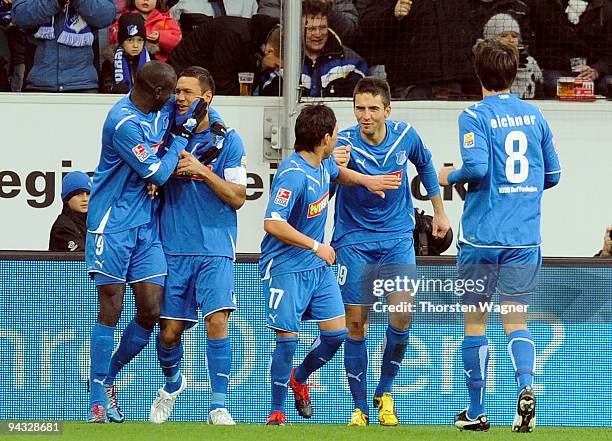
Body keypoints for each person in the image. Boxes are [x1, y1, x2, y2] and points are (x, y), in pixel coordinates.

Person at [437, 39, 561, 432]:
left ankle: (475, 412)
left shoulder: (473, 115)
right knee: (516, 320)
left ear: (478, 73)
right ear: (513, 73)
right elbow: (554, 175)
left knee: (475, 322)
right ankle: (526, 387)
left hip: (482, 238)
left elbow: (475, 167)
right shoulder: (535, 115)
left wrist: (447, 176)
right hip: (524, 237)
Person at [260, 104, 401, 426]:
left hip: (317, 267)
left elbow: (340, 174)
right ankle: (277, 411)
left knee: (337, 335)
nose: (338, 138)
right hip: (285, 267)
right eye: (335, 133)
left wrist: (368, 181)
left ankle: (300, 377)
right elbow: (272, 222)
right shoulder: (293, 175)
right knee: (288, 339)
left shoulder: (322, 165)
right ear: (325, 138)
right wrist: (316, 245)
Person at [85, 60, 207, 423]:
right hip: (112, 224)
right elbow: (157, 171)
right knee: (112, 306)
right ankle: (96, 398)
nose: (176, 100)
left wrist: (198, 111)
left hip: (145, 224)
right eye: (171, 94)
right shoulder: (122, 122)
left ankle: (109, 377)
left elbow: (192, 107)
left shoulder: (160, 106)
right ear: (155, 92)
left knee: (152, 308)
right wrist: (180, 141)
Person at [331, 77, 450, 426]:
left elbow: (426, 165)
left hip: (397, 237)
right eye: (359, 109)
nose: (365, 116)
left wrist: (440, 211)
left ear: (387, 110)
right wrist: (334, 166)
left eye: (372, 109)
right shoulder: (343, 142)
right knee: (356, 324)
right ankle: (359, 409)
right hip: (353, 239)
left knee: (402, 315)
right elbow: (323, 176)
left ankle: (384, 393)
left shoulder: (405, 135)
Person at [147, 66, 247, 425]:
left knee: (216, 320)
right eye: (177, 91)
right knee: (169, 333)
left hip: (215, 246)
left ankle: (218, 407)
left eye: (188, 92)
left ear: (207, 98)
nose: (180, 98)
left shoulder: (229, 140)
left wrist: (201, 171)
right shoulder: (164, 133)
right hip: (172, 246)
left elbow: (238, 197)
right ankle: (173, 383)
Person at [11, 0, 116, 92]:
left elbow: (106, 15)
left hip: (83, 83)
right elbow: (19, 16)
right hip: (39, 82)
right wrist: (56, 2)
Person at [168, 14, 281, 96]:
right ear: (269, 51)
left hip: (205, 81)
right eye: (276, 65)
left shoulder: (255, 40)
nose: (274, 69)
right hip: (183, 78)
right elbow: (222, 82)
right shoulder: (233, 35)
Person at [298, 0, 366, 98]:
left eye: (322, 28)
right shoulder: (282, 61)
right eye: (311, 29)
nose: (318, 34)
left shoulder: (352, 63)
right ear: (298, 29)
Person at [109, 0, 181, 63]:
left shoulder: (165, 21)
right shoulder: (124, 18)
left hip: (158, 67)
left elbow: (177, 42)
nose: (146, 0)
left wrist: (160, 37)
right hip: (128, 64)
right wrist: (132, 35)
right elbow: (114, 37)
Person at [100, 12, 150, 93]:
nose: (135, 45)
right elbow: (106, 88)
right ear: (122, 42)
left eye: (140, 40)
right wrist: (114, 89)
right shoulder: (110, 63)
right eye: (130, 40)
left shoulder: (151, 61)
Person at [48, 171, 91, 252]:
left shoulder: (94, 223)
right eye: (79, 194)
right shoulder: (62, 227)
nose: (85, 199)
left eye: (88, 194)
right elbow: (80, 259)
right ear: (67, 199)